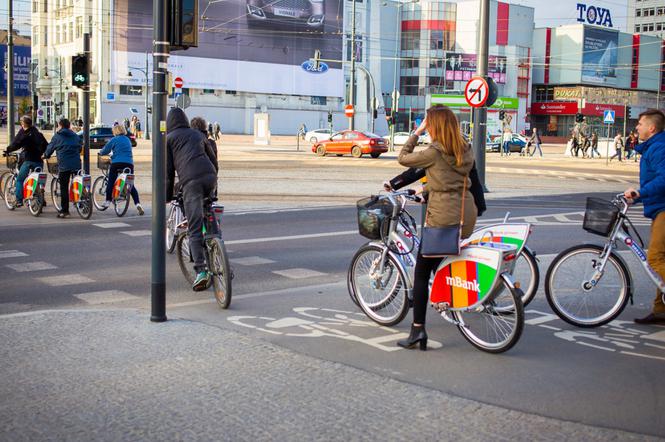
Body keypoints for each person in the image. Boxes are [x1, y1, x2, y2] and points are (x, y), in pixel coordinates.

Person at [395, 105, 477, 350]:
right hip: (465, 212)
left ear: (433, 126)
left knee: (420, 273)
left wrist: (415, 133)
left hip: (443, 217)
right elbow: (449, 179)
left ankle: (417, 331)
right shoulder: (464, 148)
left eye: (428, 124)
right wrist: (426, 191)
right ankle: (447, 300)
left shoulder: (434, 151)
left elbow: (403, 158)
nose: (426, 127)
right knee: (440, 264)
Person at [166, 108, 218, 291]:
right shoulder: (197, 134)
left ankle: (201, 271)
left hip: (190, 182)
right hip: (210, 176)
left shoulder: (170, 139)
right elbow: (213, 159)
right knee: (208, 212)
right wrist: (213, 181)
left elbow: (169, 172)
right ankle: (217, 244)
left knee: (194, 228)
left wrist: (167, 195)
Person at [624, 109, 665, 324]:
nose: (636, 127)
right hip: (659, 208)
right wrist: (637, 197)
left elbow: (664, 179)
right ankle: (660, 310)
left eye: (640, 123)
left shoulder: (659, 147)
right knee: (663, 259)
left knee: (656, 258)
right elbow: (655, 184)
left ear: (651, 128)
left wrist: (640, 192)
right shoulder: (654, 147)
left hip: (664, 210)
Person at [98, 124, 143, 215]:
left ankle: (108, 201)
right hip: (129, 164)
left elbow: (106, 150)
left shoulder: (114, 139)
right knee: (130, 185)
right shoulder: (127, 139)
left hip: (117, 163)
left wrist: (101, 152)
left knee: (111, 181)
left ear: (115, 131)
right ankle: (138, 204)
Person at [5, 116, 48, 207]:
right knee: (38, 180)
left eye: (21, 122)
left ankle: (19, 200)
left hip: (29, 160)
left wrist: (8, 150)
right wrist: (42, 153)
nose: (20, 123)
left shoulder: (26, 135)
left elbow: (17, 144)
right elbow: (46, 145)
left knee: (20, 180)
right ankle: (41, 200)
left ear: (23, 123)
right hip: (39, 161)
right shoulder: (38, 133)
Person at [43, 118, 82, 218]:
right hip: (76, 164)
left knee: (64, 187)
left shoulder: (57, 136)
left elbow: (50, 148)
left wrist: (45, 155)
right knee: (78, 182)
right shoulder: (75, 136)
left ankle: (65, 211)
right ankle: (83, 204)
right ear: (69, 126)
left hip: (64, 165)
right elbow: (80, 147)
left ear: (60, 126)